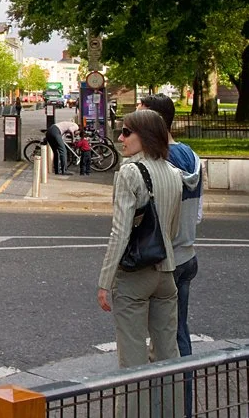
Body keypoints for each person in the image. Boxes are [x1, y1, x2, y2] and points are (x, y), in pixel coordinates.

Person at [97, 109, 183, 371]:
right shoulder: (173, 172)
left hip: (135, 276)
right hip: (165, 274)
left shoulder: (130, 172)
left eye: (126, 132)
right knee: (169, 357)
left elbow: (120, 232)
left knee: (132, 362)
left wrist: (104, 281)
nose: (120, 138)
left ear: (143, 136)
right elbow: (173, 229)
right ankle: (172, 410)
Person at [138, 94, 202, 372]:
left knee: (161, 344)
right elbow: (198, 213)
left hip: (163, 261)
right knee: (179, 333)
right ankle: (182, 406)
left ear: (154, 121)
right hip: (188, 254)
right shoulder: (193, 157)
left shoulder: (156, 164)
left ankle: (166, 404)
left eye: (139, 117)